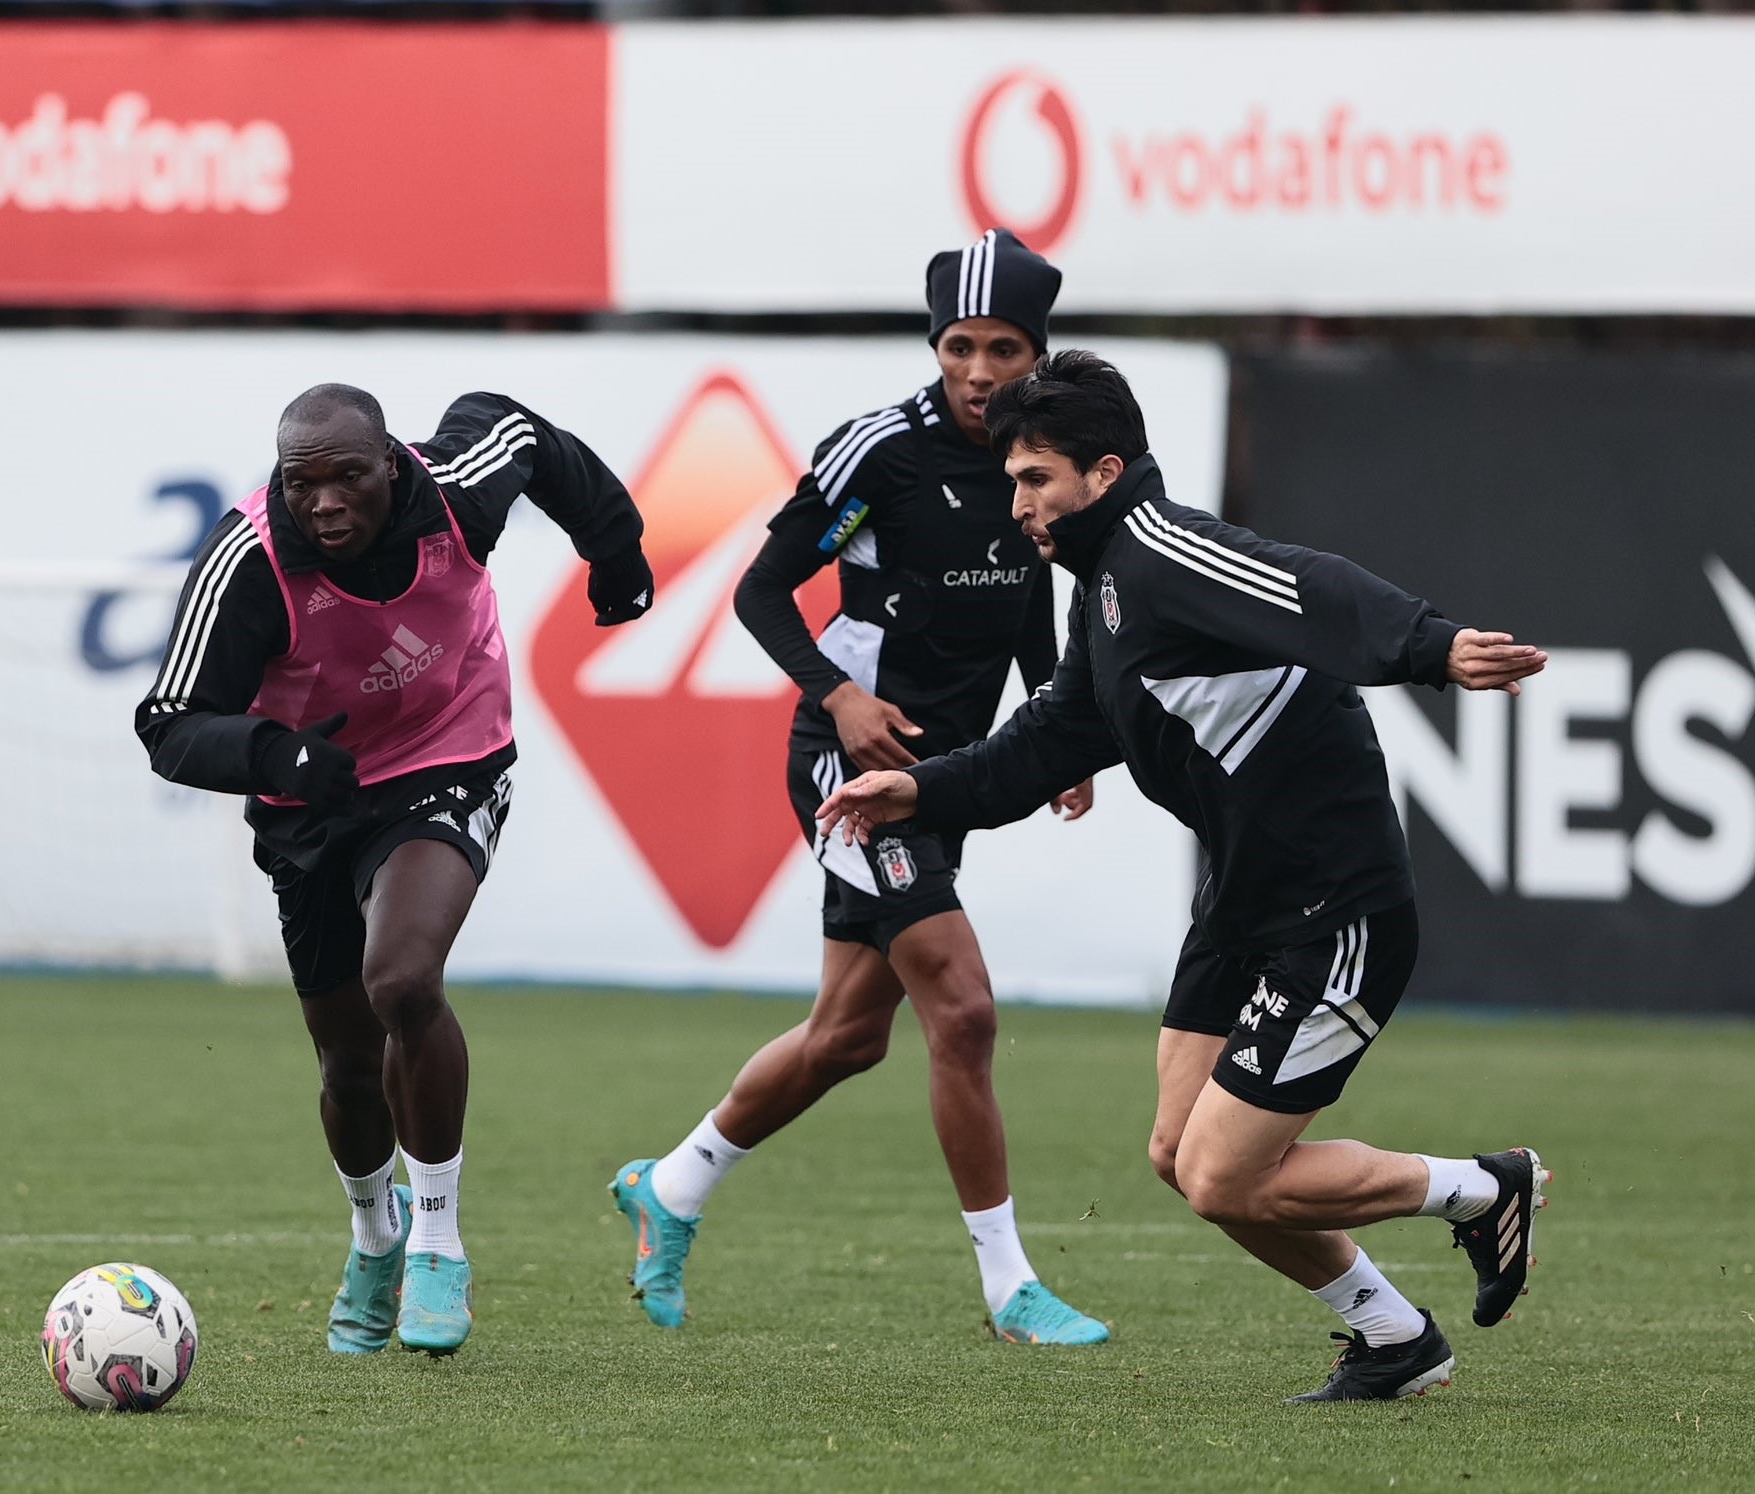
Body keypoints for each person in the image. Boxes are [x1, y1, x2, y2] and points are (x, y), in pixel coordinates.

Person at [817, 350, 1552, 1402]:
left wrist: (1430, 647)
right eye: (1009, 480)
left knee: (1222, 1170)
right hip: (1243, 907)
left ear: (1103, 473)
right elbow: (1053, 735)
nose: (1015, 502)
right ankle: (1392, 1337)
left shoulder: (1161, 550)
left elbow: (1307, 584)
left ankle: (1482, 1191)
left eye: (1033, 479)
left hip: (1330, 908)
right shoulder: (1104, 591)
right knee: (1179, 1153)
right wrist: (922, 792)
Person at [611, 229, 1110, 1346]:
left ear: (1038, 350)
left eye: (1004, 350)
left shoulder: (1039, 455)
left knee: (845, 1036)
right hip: (852, 770)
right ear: (934, 344)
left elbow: (1032, 608)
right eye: (958, 347)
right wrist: (837, 700)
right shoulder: (877, 455)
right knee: (964, 1008)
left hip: (947, 780)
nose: (979, 372)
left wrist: (1055, 730)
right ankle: (1006, 1286)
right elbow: (762, 590)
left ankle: (671, 1188)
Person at [136, 383, 651, 1356]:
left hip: (449, 755)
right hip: (311, 799)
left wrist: (613, 550)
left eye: (346, 477)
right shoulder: (247, 559)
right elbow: (168, 725)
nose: (324, 502)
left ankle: (439, 1248)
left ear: (393, 465)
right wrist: (277, 757)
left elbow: (527, 433)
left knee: (402, 982)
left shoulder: (454, 492)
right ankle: (376, 1237)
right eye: (301, 483)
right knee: (342, 1058)